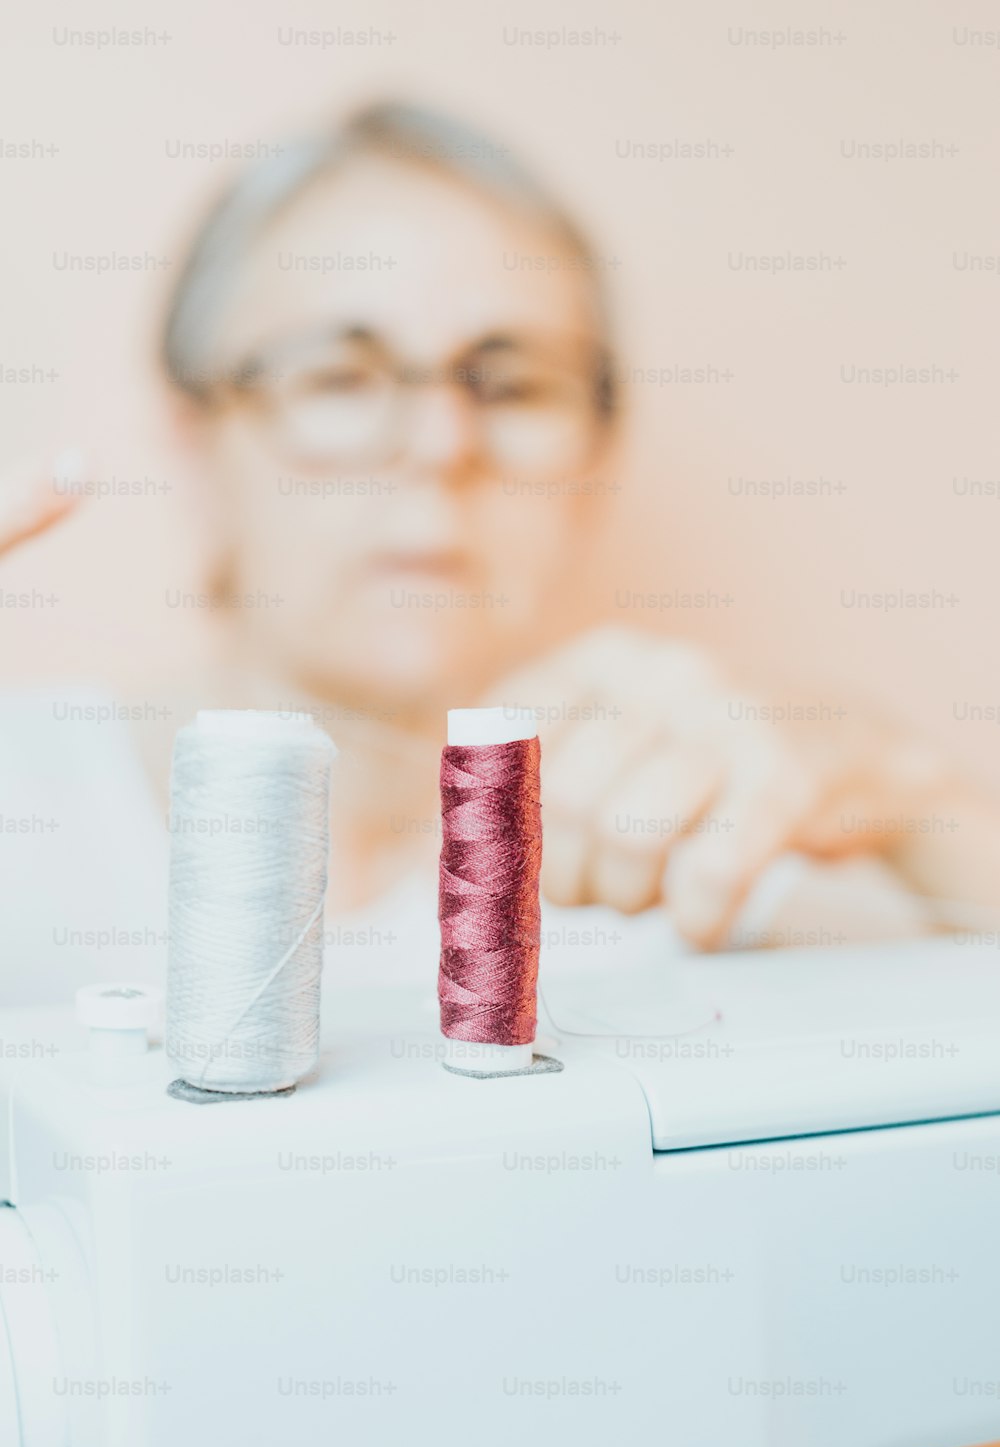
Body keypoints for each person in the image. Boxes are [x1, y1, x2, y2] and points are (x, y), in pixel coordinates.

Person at [0, 102, 992, 1004]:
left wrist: (915, 797)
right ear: (195, 448)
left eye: (513, 387)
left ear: (594, 465)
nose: (442, 446)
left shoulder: (699, 859)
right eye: (340, 378)